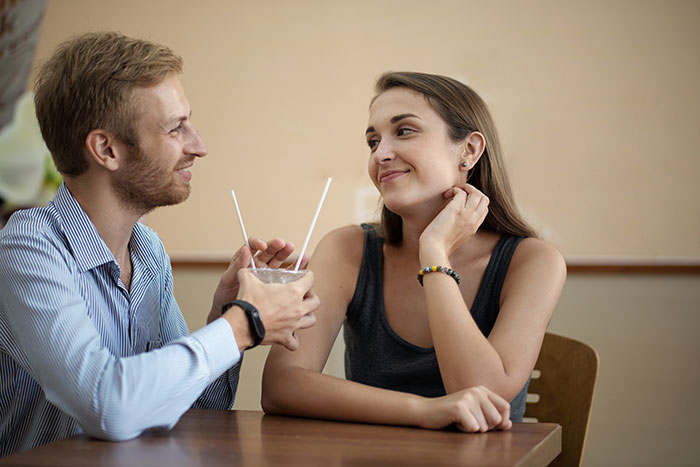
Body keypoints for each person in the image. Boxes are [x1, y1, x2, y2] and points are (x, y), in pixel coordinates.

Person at [0, 31, 319, 457]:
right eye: (175, 128)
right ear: (106, 149)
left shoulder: (147, 250)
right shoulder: (27, 248)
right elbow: (109, 407)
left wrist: (224, 311)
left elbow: (197, 407)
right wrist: (245, 324)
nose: (199, 146)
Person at [262, 71, 567, 433]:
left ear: (469, 150)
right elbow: (281, 385)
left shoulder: (533, 261)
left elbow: (483, 395)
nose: (381, 154)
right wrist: (426, 411)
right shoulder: (348, 249)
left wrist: (435, 253)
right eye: (373, 141)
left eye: (404, 131)